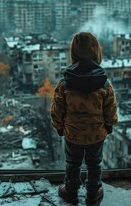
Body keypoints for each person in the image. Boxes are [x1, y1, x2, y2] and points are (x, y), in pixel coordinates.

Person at [50, 31, 118, 204]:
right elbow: (110, 108)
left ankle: (70, 190)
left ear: (73, 52)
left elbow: (57, 109)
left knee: (72, 163)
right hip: (97, 133)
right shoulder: (104, 83)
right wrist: (109, 125)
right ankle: (93, 192)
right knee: (94, 164)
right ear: (96, 51)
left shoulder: (65, 83)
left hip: (72, 134)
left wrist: (59, 126)